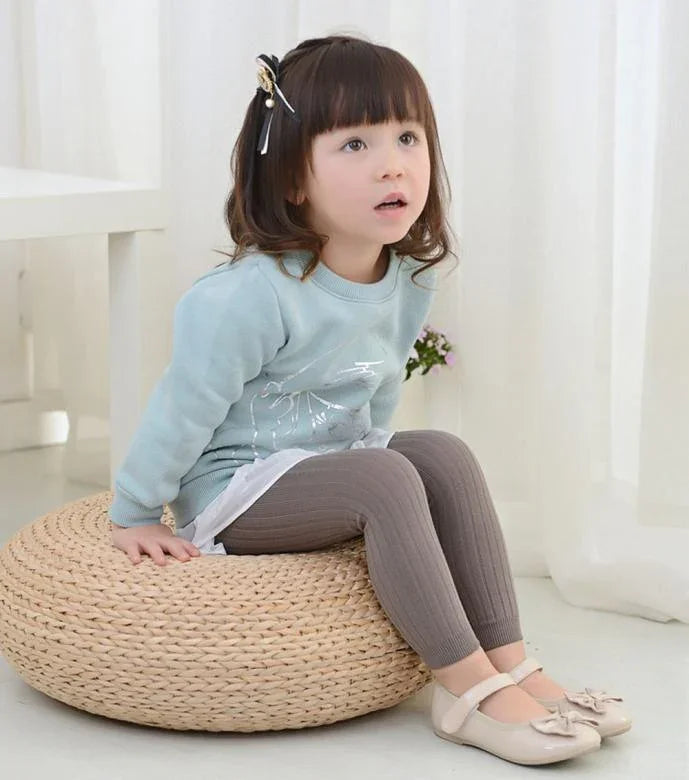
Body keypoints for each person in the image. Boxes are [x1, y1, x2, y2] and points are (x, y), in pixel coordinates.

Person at [109, 34, 630, 766]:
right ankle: (461, 687)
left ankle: (510, 660)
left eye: (407, 137)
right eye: (354, 144)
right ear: (293, 179)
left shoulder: (407, 278)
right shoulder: (244, 299)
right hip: (238, 487)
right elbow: (181, 407)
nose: (392, 162)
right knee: (384, 474)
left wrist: (384, 479)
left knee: (438, 452)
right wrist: (135, 510)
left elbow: (378, 393)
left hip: (327, 461)